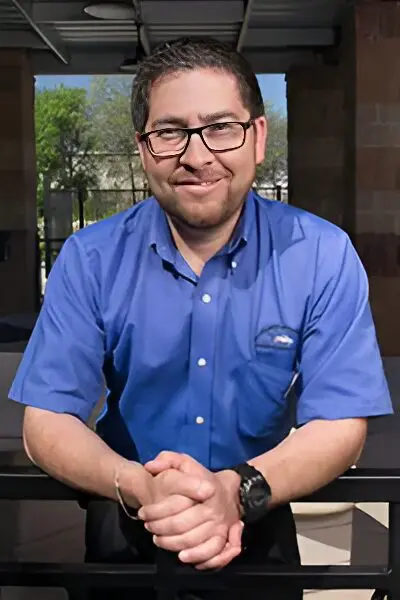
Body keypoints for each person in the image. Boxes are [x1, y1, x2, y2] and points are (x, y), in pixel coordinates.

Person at [9, 37, 392, 600]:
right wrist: (137, 484)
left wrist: (237, 492)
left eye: (220, 127)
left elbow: (341, 423)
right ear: (143, 148)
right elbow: (46, 423)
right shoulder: (91, 258)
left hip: (261, 515)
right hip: (126, 524)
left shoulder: (321, 254)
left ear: (258, 138)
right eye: (170, 132)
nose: (197, 154)